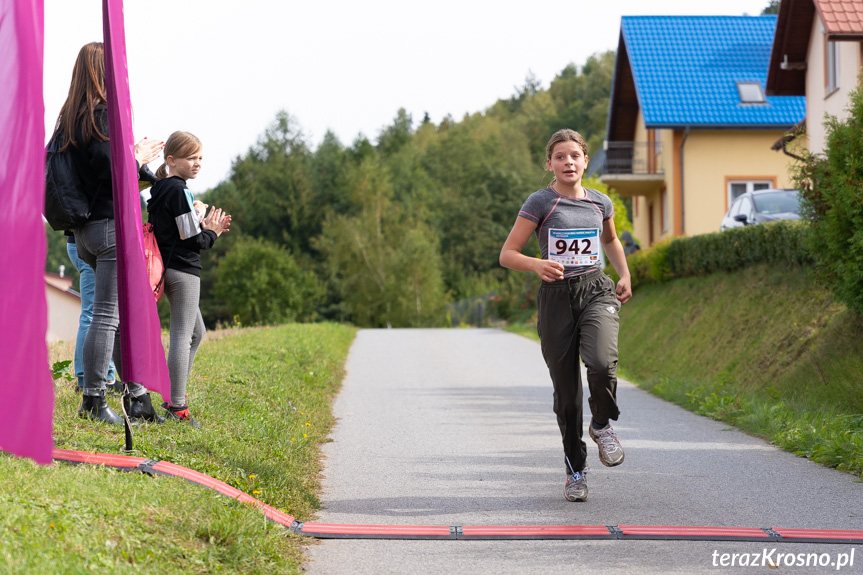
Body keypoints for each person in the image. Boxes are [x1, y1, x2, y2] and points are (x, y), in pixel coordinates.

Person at [499, 129, 633, 503]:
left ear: (586, 161)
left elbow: (610, 240)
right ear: (550, 164)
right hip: (557, 300)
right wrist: (536, 264)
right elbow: (507, 254)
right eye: (560, 157)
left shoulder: (600, 202)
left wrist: (624, 273)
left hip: (595, 289)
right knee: (568, 396)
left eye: (575, 155)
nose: (568, 162)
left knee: (603, 362)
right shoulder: (541, 202)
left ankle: (603, 425)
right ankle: (576, 472)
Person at [53, 42, 165, 424]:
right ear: (104, 73)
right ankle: (94, 401)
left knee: (116, 316)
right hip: (107, 228)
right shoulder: (101, 115)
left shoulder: (69, 120)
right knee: (105, 317)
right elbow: (109, 168)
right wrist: (137, 155)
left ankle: (135, 396)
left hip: (84, 232)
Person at [147, 131, 231, 426]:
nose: (197, 163)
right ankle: (176, 406)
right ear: (171, 160)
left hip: (168, 268)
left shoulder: (159, 190)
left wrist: (200, 223)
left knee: (197, 332)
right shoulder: (178, 189)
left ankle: (174, 394)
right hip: (183, 270)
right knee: (182, 336)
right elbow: (193, 240)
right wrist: (212, 231)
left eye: (200, 158)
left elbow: (181, 230)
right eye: (191, 158)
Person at [65, 233, 117, 392]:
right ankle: (85, 380)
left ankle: (107, 378)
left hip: (86, 243)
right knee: (93, 314)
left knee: (102, 315)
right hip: (89, 245)